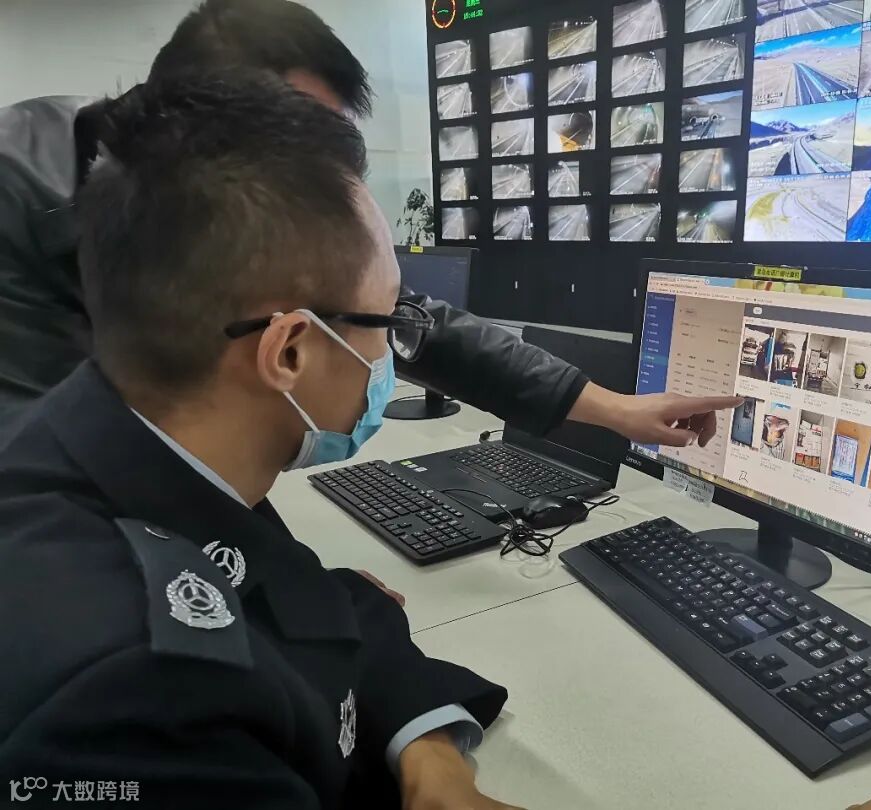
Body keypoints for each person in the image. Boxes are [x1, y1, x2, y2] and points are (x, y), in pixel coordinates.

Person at [0, 71, 522, 810]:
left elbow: (319, 604)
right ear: (290, 352)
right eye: (386, 324)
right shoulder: (133, 700)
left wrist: (429, 754)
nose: (388, 356)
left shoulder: (129, 446)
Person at [0, 0, 735, 452]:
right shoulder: (23, 198)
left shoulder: (201, 203)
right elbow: (59, 480)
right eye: (295, 144)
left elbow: (401, 317)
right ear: (195, 127)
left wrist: (614, 410)